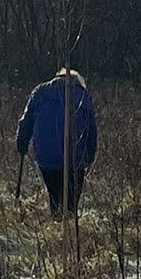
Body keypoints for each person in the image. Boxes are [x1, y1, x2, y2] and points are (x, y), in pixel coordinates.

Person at [14, 68, 98, 217]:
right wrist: (90, 155)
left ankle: (57, 222)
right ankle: (70, 227)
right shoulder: (83, 95)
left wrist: (22, 144)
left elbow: (26, 122)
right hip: (75, 158)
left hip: (46, 156)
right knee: (71, 202)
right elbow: (91, 129)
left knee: (54, 194)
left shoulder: (40, 92)